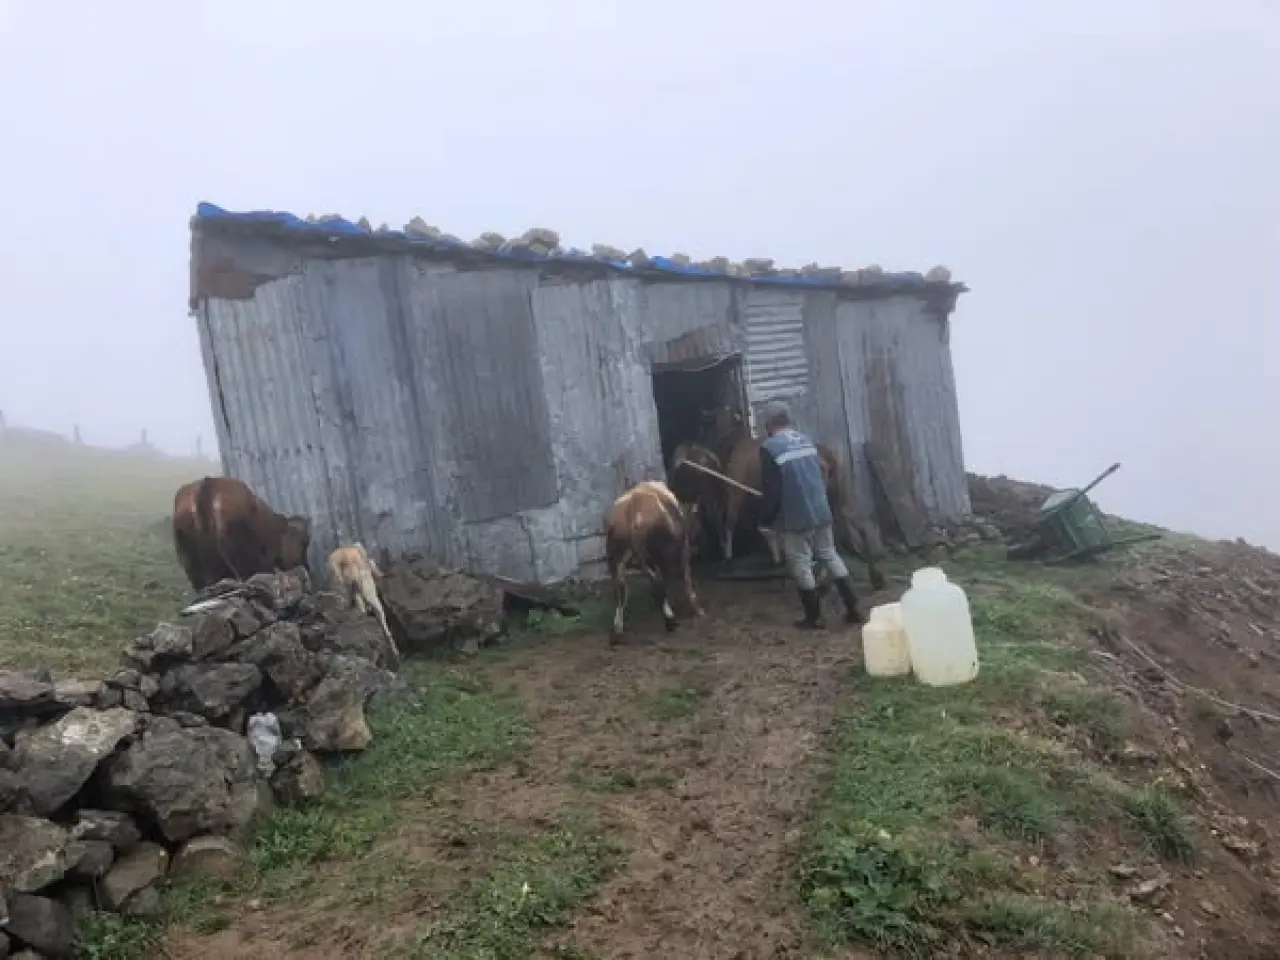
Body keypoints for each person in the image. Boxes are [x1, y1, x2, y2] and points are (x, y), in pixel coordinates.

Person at [757, 401, 864, 628]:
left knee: (800, 563)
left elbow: (772, 489)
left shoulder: (769, 448)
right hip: (821, 510)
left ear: (769, 424)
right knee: (829, 554)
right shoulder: (807, 440)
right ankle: (854, 607)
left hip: (796, 515)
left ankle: (814, 617)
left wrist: (766, 519)